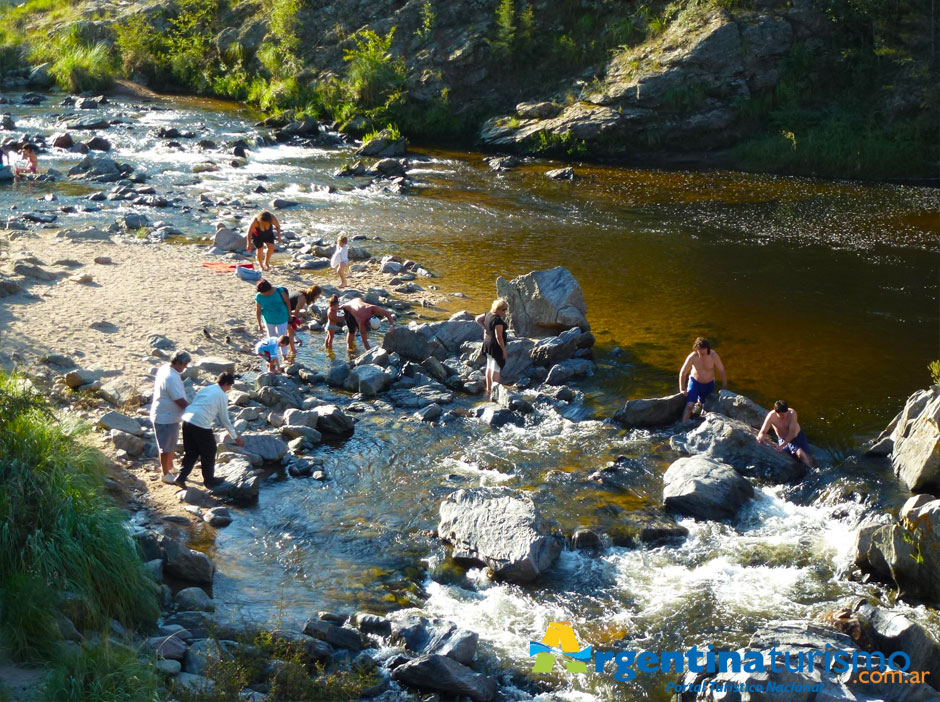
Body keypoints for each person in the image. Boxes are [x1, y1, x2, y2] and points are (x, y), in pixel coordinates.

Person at [173, 372, 244, 489]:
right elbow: (224, 419)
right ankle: (209, 480)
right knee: (210, 451)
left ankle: (181, 477)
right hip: (200, 423)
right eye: (230, 386)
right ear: (226, 384)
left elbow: (196, 402)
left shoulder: (208, 388)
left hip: (187, 420)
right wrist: (235, 437)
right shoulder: (221, 395)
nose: (229, 389)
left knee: (191, 451)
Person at [149, 351, 191, 484]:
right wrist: (193, 410)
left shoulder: (166, 369)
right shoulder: (170, 377)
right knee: (165, 447)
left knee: (172, 443)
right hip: (164, 416)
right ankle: (165, 474)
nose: (185, 367)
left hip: (171, 416)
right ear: (178, 363)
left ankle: (170, 466)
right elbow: (178, 399)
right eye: (184, 365)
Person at [679, 337, 727, 423]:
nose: (701, 355)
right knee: (690, 406)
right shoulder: (693, 356)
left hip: (709, 384)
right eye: (699, 352)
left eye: (703, 353)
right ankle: (683, 426)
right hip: (695, 383)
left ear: (707, 349)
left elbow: (722, 371)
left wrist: (724, 387)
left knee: (707, 407)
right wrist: (682, 389)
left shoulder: (713, 355)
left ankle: (701, 422)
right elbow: (683, 372)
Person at [757, 400, 814, 467]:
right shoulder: (771, 416)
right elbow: (763, 431)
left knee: (808, 455)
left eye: (786, 413)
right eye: (782, 414)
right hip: (784, 438)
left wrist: (782, 446)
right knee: (800, 454)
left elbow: (792, 433)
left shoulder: (792, 413)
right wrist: (760, 437)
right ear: (776, 412)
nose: (785, 415)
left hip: (798, 436)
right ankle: (813, 471)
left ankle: (811, 467)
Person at [476, 298, 509, 399]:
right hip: (495, 346)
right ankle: (494, 393)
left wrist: (485, 329)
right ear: (498, 310)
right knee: (496, 369)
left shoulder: (488, 314)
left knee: (489, 366)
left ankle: (489, 389)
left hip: (487, 344)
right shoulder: (498, 321)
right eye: (503, 310)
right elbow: (499, 337)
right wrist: (503, 350)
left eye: (506, 309)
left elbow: (477, 319)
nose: (505, 312)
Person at [255, 280, 291, 358]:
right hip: (268, 319)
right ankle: (273, 356)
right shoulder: (259, 296)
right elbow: (258, 311)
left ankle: (284, 356)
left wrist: (289, 314)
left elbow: (288, 302)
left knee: (282, 337)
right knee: (271, 338)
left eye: (263, 292)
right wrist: (259, 324)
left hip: (282, 317)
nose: (262, 294)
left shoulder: (279, 291)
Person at [287, 285, 321, 357]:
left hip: (285, 309)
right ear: (314, 294)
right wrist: (293, 322)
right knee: (290, 331)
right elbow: (296, 312)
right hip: (283, 310)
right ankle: (292, 350)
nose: (317, 298)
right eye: (317, 296)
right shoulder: (303, 298)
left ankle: (292, 347)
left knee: (290, 331)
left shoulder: (301, 292)